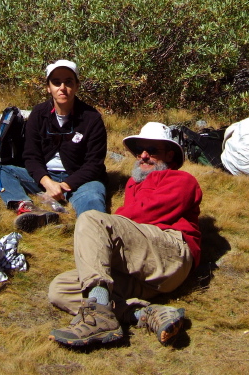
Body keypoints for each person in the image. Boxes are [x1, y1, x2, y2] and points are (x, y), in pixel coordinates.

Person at [47, 122, 202, 348]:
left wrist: (109, 225)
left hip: (170, 254)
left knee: (91, 218)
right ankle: (143, 313)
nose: (144, 156)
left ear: (170, 155)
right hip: (142, 273)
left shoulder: (182, 180)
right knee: (60, 288)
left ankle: (98, 316)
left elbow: (148, 213)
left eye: (153, 151)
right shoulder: (133, 184)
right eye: (140, 151)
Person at [0, 60, 108, 232]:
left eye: (68, 82)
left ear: (77, 86)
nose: (62, 87)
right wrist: (47, 182)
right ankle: (27, 208)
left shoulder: (92, 119)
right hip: (45, 178)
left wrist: (64, 185)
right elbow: (31, 156)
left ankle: (92, 233)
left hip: (80, 181)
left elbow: (94, 164)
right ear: (48, 87)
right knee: (1, 171)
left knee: (93, 196)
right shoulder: (38, 114)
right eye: (56, 82)